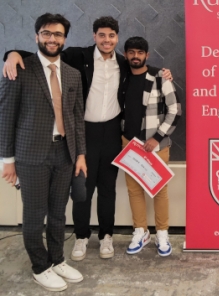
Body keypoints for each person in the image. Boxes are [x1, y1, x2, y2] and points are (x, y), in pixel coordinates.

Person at [2, 17, 173, 262]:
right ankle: (81, 236)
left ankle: (106, 236)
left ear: (116, 38)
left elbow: (143, 67)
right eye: (102, 35)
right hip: (83, 131)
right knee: (82, 187)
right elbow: (43, 54)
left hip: (113, 132)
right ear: (94, 36)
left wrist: (164, 72)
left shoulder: (124, 63)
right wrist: (11, 53)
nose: (106, 40)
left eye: (111, 36)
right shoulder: (77, 56)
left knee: (107, 188)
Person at [0, 13, 87, 292]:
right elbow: (5, 116)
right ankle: (40, 266)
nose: (52, 39)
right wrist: (7, 161)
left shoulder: (73, 74)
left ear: (65, 38)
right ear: (37, 36)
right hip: (30, 155)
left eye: (58, 34)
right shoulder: (20, 68)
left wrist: (81, 154)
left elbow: (76, 118)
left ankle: (58, 258)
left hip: (64, 153)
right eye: (47, 33)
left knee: (59, 213)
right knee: (35, 214)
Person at [119, 37, 181, 257]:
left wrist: (156, 137)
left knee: (159, 190)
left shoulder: (159, 77)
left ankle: (162, 234)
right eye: (131, 52)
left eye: (140, 52)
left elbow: (175, 110)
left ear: (147, 55)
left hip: (156, 144)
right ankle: (141, 232)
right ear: (125, 54)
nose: (135, 56)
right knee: (134, 191)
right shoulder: (121, 76)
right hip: (129, 144)